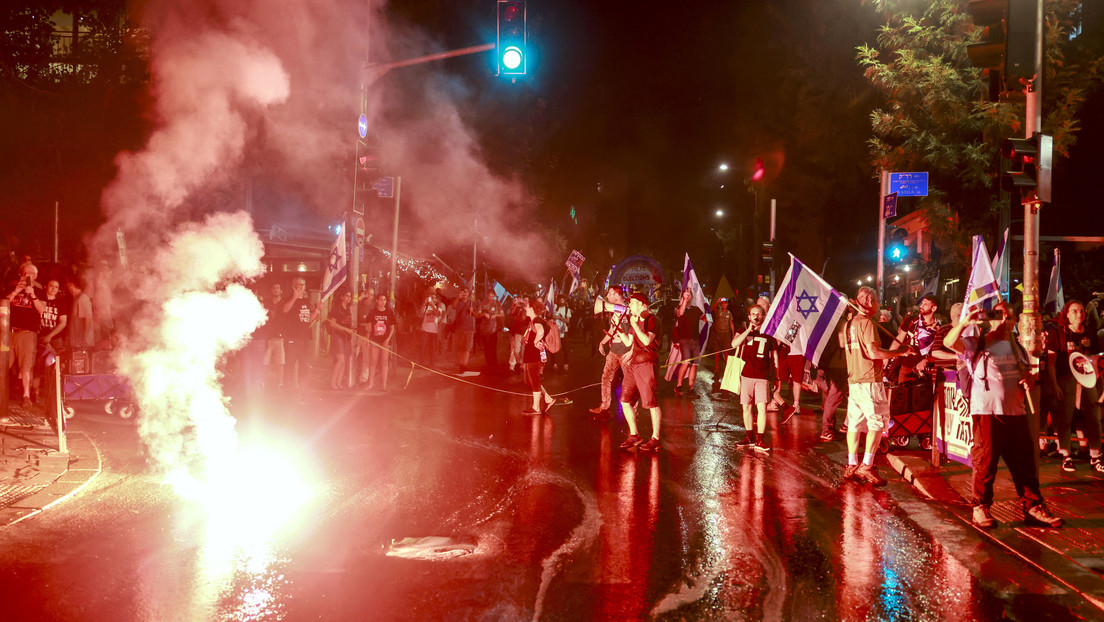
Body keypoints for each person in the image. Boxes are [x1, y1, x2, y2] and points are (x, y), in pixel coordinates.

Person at [943, 302, 1064, 528]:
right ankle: (980, 507)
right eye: (1001, 316)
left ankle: (1033, 507)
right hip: (987, 413)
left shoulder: (1017, 348)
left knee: (1024, 464)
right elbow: (948, 342)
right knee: (986, 463)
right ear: (992, 318)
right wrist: (965, 323)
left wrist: (1028, 379)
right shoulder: (978, 343)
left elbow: (1027, 374)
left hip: (1015, 413)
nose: (1006, 322)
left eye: (1010, 317)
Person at [840, 286, 913, 485]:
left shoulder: (849, 324)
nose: (878, 305)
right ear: (870, 302)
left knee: (854, 424)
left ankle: (851, 464)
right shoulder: (866, 323)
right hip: (869, 380)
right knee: (878, 423)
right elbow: (874, 353)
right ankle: (867, 466)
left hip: (854, 380)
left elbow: (842, 344)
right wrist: (901, 353)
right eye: (877, 301)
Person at [1047, 300, 1103, 472]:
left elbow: (1099, 361)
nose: (1079, 314)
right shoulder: (1058, 334)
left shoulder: (1091, 335)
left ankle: (1096, 455)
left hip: (1088, 381)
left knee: (1094, 418)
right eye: (1074, 311)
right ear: (1067, 315)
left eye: (1081, 311)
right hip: (1067, 380)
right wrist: (1055, 385)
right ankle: (1066, 454)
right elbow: (1051, 363)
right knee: (1065, 418)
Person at [616, 292, 663, 451]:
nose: (629, 306)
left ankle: (655, 437)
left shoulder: (652, 320)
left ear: (641, 304)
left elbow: (647, 340)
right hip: (633, 365)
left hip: (647, 364)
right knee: (624, 400)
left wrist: (635, 325)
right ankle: (634, 435)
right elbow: (630, 342)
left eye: (632, 303)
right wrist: (620, 330)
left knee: (651, 403)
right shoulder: (635, 321)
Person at [731, 304, 780, 452]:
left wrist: (777, 378)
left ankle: (759, 439)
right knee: (746, 407)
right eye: (753, 314)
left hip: (762, 376)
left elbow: (775, 357)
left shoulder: (769, 334)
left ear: (763, 316)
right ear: (749, 316)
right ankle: (749, 437)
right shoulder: (742, 330)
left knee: (761, 408)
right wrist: (748, 330)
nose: (756, 316)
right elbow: (734, 344)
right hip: (746, 375)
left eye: (758, 314)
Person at [6, 263, 46, 406]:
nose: (28, 276)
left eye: (32, 274)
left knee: (26, 366)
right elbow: (2, 305)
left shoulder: (39, 291)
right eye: (26, 273)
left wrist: (33, 295)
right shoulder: (12, 287)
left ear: (35, 276)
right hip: (9, 333)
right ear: (21, 274)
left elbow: (42, 310)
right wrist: (16, 291)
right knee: (4, 363)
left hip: (27, 334)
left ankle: (26, 396)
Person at [589, 286, 631, 420]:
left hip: (626, 352)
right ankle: (605, 407)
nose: (607, 297)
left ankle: (632, 411)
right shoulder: (614, 312)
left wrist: (632, 351)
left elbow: (635, 332)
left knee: (629, 382)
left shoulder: (629, 311)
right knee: (606, 378)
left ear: (617, 295)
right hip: (614, 351)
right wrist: (602, 342)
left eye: (610, 294)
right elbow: (613, 329)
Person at [889, 294, 942, 382]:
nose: (921, 306)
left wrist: (927, 360)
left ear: (934, 308)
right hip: (906, 367)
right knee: (903, 393)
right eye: (921, 303)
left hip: (925, 370)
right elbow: (898, 340)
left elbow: (938, 350)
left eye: (925, 304)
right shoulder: (912, 321)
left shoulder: (938, 328)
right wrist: (888, 357)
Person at [813, 316, 848, 442]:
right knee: (834, 398)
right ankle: (826, 429)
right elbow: (842, 343)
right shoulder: (842, 321)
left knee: (829, 396)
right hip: (839, 364)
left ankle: (830, 428)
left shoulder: (826, 321)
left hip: (828, 363)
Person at [281, 276, 318, 391]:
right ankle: (288, 386)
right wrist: (294, 298)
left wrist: (317, 311)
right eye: (299, 284)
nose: (301, 287)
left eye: (303, 284)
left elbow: (308, 320)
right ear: (293, 286)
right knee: (290, 362)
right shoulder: (288, 299)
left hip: (304, 337)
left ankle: (302, 386)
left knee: (304, 363)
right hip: (292, 337)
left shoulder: (307, 301)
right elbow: (284, 310)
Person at [520, 299, 556, 415]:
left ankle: (536, 407)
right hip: (531, 355)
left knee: (534, 380)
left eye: (527, 307)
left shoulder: (537, 320)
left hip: (535, 355)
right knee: (528, 380)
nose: (525, 308)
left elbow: (540, 331)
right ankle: (548, 399)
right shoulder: (534, 320)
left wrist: (535, 341)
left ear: (532, 309)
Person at [672, 289, 704, 397]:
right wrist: (684, 300)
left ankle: (691, 389)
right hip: (684, 340)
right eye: (686, 295)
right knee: (686, 362)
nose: (688, 296)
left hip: (695, 340)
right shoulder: (680, 308)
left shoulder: (696, 310)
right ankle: (679, 386)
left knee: (694, 364)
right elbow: (680, 314)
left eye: (690, 295)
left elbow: (705, 318)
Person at [364, 292, 397, 391]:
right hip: (374, 340)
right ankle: (370, 383)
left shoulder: (389, 312)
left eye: (385, 300)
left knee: (384, 363)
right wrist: (367, 339)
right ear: (377, 301)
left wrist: (387, 340)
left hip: (384, 342)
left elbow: (392, 328)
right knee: (373, 362)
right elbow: (369, 327)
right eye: (381, 300)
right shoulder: (372, 312)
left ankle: (384, 384)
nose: (383, 302)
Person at [260, 282, 286, 387]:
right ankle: (263, 382)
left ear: (281, 290)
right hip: (268, 337)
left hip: (280, 337)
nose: (276, 289)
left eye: (278, 287)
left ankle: (280, 383)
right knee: (265, 362)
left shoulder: (284, 303)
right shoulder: (266, 303)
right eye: (274, 288)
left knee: (280, 362)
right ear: (271, 290)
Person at [328, 290, 354, 389]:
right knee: (340, 360)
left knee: (344, 360)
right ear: (342, 297)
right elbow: (332, 324)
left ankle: (339, 383)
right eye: (347, 296)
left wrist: (350, 330)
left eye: (350, 296)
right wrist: (345, 329)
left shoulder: (347, 309)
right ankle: (333, 383)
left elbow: (346, 323)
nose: (349, 298)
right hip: (337, 335)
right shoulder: (337, 308)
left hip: (346, 337)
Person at [710, 298, 736, 394]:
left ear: (727, 304)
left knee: (726, 351)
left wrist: (733, 334)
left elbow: (731, 323)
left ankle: (727, 367)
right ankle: (716, 368)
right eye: (722, 303)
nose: (724, 305)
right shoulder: (718, 311)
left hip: (726, 334)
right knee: (717, 350)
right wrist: (717, 301)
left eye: (725, 303)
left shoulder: (729, 313)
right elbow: (712, 308)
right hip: (718, 333)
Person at [476, 290, 505, 373]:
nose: (491, 298)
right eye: (489, 296)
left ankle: (494, 364)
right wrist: (484, 314)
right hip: (484, 328)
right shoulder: (483, 303)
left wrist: (496, 315)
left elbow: (502, 314)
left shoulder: (497, 303)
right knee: (486, 347)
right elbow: (478, 315)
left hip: (494, 328)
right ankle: (488, 363)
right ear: (487, 295)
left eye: (492, 296)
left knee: (493, 346)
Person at [452, 287, 476, 371]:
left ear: (469, 293)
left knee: (467, 348)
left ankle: (464, 365)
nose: (465, 293)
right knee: (459, 348)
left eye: (466, 292)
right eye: (463, 292)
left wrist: (472, 311)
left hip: (469, 329)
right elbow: (453, 306)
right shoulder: (458, 302)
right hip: (459, 328)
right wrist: (458, 297)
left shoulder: (472, 303)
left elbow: (476, 315)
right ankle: (461, 363)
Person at [417, 291, 443, 367]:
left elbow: (438, 314)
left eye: (434, 298)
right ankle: (421, 363)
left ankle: (432, 364)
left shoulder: (439, 307)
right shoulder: (425, 307)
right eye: (431, 297)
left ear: (436, 300)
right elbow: (420, 314)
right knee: (423, 347)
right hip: (425, 330)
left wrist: (431, 304)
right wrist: (425, 303)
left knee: (433, 348)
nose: (433, 299)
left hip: (434, 331)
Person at [67, 277, 94, 349]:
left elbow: (87, 319)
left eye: (68, 287)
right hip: (77, 342)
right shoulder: (77, 299)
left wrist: (84, 339)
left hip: (82, 343)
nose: (68, 290)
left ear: (71, 285)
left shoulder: (82, 299)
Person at [508, 296, 529, 371]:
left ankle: (522, 365)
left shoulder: (529, 310)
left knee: (523, 350)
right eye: (524, 300)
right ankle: (518, 363)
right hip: (516, 332)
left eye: (526, 300)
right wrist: (515, 305)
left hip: (524, 333)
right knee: (516, 350)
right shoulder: (518, 309)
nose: (524, 302)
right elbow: (511, 313)